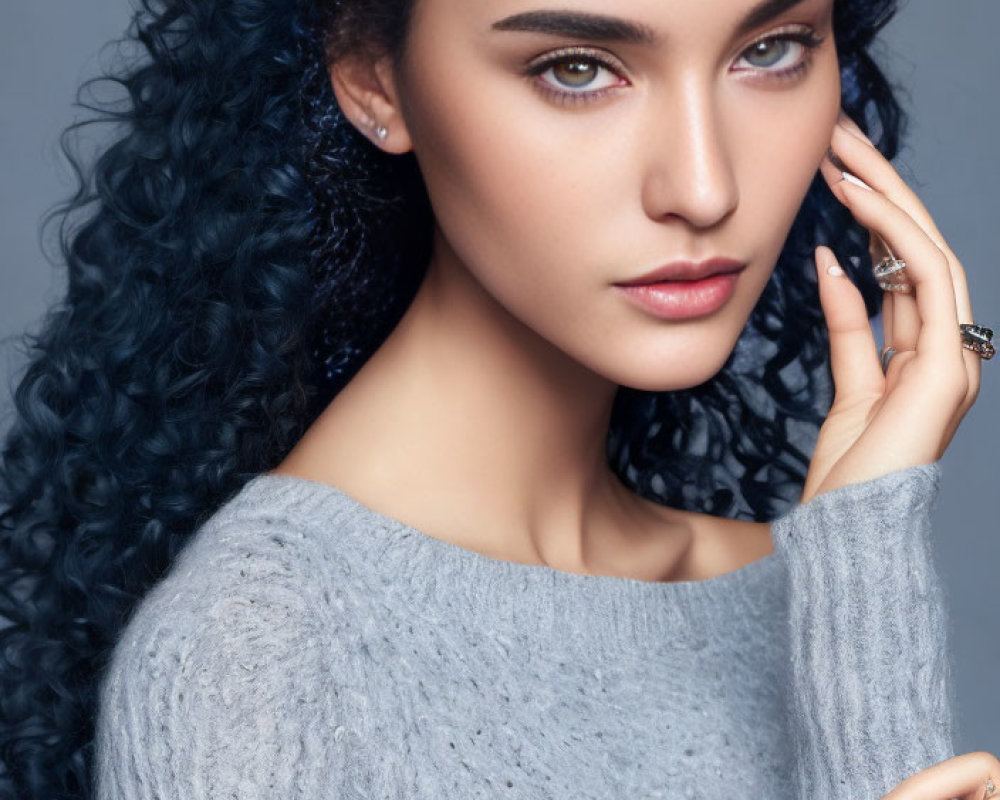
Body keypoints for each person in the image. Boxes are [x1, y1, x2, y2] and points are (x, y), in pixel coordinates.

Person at [0, 0, 996, 797]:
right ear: (371, 76)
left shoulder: (811, 597)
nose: (702, 185)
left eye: (771, 48)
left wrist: (864, 550)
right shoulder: (255, 659)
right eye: (576, 67)